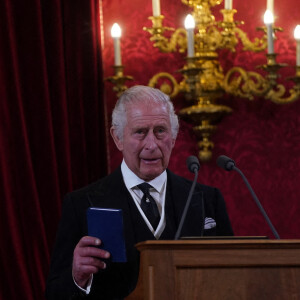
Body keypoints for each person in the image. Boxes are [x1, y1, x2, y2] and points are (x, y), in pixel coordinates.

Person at [45, 85, 233, 299]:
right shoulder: (81, 204)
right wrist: (77, 278)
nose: (151, 144)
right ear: (118, 138)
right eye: (140, 132)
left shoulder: (208, 200)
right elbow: (54, 294)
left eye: (160, 131)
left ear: (173, 138)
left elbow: (231, 281)